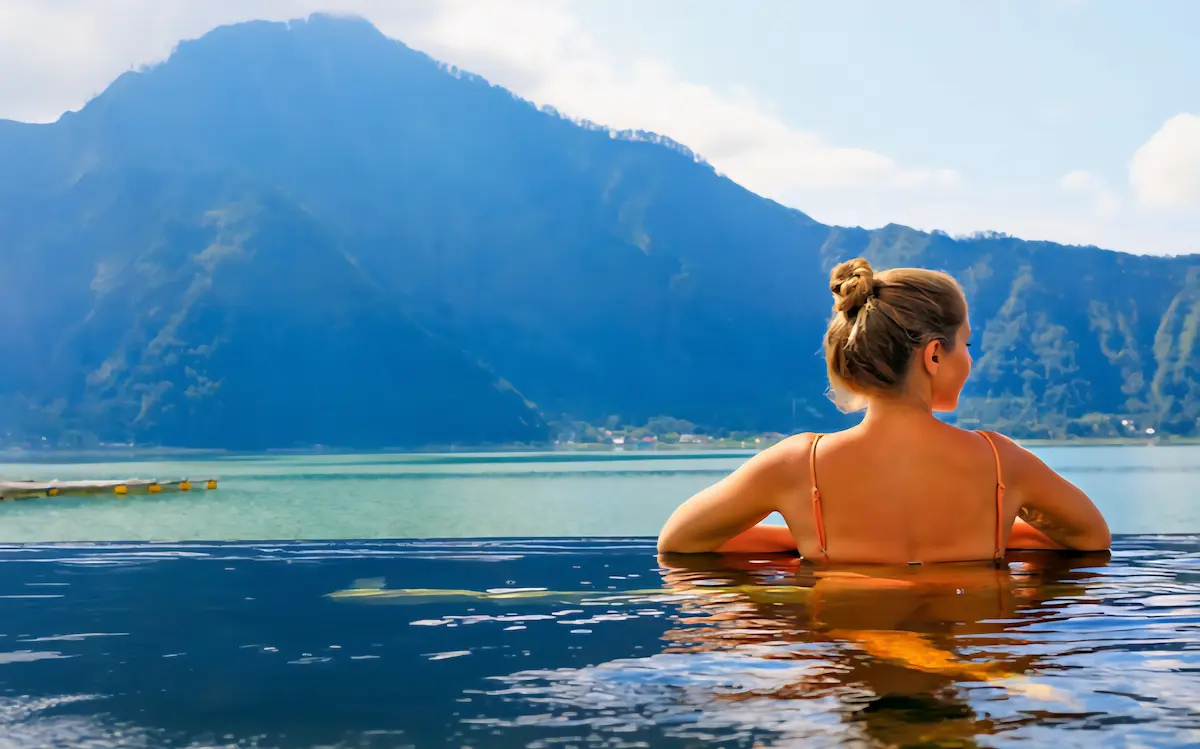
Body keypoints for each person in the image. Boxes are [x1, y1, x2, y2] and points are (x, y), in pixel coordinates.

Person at [657, 257, 1111, 563]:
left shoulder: (800, 464)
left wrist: (800, 539)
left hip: (849, 663)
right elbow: (1091, 538)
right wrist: (999, 534)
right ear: (934, 355)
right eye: (966, 344)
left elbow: (679, 543)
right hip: (969, 657)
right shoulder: (1000, 462)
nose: (970, 358)